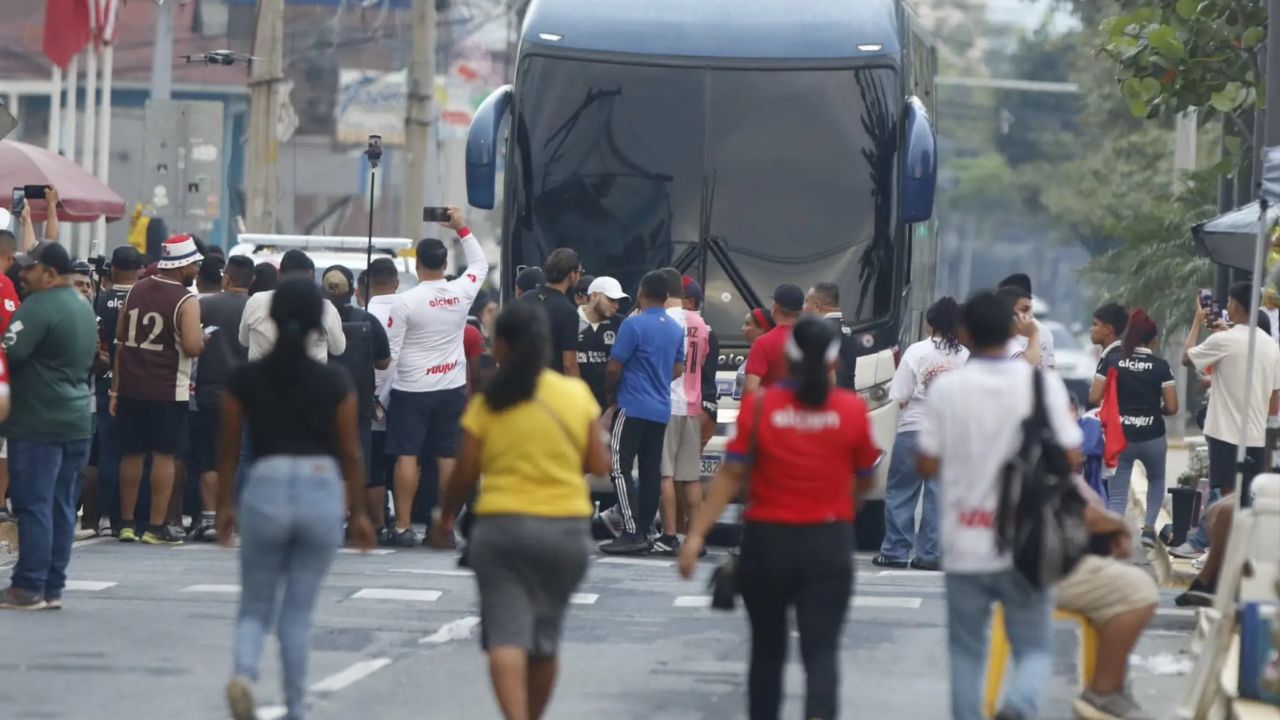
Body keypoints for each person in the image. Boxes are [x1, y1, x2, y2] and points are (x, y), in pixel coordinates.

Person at [679, 316, 881, 720]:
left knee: (767, 651)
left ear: (787, 359)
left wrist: (695, 537)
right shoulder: (851, 410)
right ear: (833, 362)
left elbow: (731, 475)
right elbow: (865, 478)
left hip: (767, 543)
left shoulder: (761, 406)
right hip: (828, 542)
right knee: (821, 652)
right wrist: (843, 506)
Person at [431, 302, 609, 720]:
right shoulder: (574, 394)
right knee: (545, 638)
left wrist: (444, 518)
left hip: (502, 528)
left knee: (506, 636)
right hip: (565, 530)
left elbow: (464, 471)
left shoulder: (490, 401)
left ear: (503, 345)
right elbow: (599, 464)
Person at [915, 290, 1082, 720]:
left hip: (964, 543)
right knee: (1034, 646)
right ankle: (1020, 705)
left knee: (967, 652)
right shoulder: (1042, 385)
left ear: (964, 332)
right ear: (1012, 329)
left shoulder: (947, 390)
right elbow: (1072, 455)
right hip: (1026, 540)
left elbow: (927, 462)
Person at [215, 279, 374, 720]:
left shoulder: (245, 378)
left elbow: (228, 449)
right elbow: (352, 452)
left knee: (254, 602)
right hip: (320, 485)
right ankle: (296, 707)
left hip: (264, 483)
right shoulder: (335, 380)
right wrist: (359, 513)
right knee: (298, 611)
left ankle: (244, 674)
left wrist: (225, 505)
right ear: (317, 323)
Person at [383, 207, 488, 547]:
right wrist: (461, 228)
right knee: (447, 458)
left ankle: (401, 526)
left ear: (417, 265)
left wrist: (381, 396)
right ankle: (442, 527)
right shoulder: (462, 292)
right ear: (445, 266)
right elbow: (479, 265)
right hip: (451, 388)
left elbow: (391, 356)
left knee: (408, 456)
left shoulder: (404, 303)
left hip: (411, 389)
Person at [0, 243, 97, 609]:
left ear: (51, 274)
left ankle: (26, 586)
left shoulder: (39, 306)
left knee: (33, 503)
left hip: (38, 421)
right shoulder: (81, 306)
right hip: (75, 418)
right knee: (60, 506)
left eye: (29, 269)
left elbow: (10, 351)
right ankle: (52, 586)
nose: (21, 275)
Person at [1057, 407, 1161, 720]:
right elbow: (1076, 510)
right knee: (1137, 589)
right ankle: (1102, 691)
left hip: (1003, 563)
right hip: (1031, 571)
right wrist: (1114, 525)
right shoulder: (1039, 463)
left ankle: (1110, 685)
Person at [1172, 282, 1280, 575]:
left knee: (1230, 501)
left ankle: (1222, 559)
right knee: (1244, 500)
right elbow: (1274, 406)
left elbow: (1186, 357)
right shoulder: (1271, 346)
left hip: (1225, 433)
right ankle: (1233, 557)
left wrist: (1197, 320)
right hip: (1256, 436)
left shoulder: (1225, 340)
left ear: (1233, 306)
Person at [111, 235, 206, 545]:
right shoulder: (185, 300)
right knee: (165, 455)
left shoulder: (136, 289)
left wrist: (115, 389)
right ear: (183, 266)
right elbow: (192, 346)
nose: (196, 269)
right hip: (168, 388)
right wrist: (205, 341)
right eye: (194, 263)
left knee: (132, 454)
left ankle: (126, 522)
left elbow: (121, 335)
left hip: (131, 385)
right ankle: (155, 526)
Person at [875, 296, 968, 571]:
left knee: (901, 491)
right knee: (939, 494)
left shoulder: (916, 351)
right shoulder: (966, 356)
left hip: (914, 429)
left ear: (930, 324)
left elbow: (900, 395)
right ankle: (929, 554)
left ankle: (895, 551)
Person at [600, 271, 685, 555]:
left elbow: (614, 367)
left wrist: (611, 394)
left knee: (619, 468)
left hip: (632, 405)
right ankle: (645, 529)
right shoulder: (675, 329)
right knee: (651, 472)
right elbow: (677, 370)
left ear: (640, 293)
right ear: (666, 297)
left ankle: (631, 529)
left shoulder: (632, 325)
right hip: (661, 408)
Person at [1097, 309, 1178, 547]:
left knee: (1118, 492)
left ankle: (1114, 538)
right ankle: (1149, 530)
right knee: (1156, 479)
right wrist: (1156, 410)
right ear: (1153, 340)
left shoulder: (1113, 361)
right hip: (1153, 435)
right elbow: (1172, 406)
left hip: (1121, 438)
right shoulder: (1161, 366)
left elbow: (1094, 394)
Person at [186, 255, 253, 540]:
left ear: (227, 278)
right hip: (250, 395)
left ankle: (211, 517)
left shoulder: (204, 305)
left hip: (211, 393)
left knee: (210, 459)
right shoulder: (258, 308)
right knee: (242, 457)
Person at [322, 266, 391, 509]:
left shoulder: (310, 318)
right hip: (358, 404)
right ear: (352, 290)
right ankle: (354, 517)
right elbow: (383, 363)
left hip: (319, 404)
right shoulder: (367, 320)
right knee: (356, 462)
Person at [654, 268, 710, 556]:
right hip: (692, 404)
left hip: (667, 403)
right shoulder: (700, 323)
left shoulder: (663, 321)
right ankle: (695, 537)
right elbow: (701, 360)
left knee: (665, 475)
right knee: (690, 478)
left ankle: (669, 534)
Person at [93, 246, 145, 536]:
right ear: (139, 269)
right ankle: (136, 515)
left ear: (113, 269)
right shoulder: (144, 298)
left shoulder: (101, 299)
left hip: (105, 382)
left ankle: (108, 516)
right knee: (138, 452)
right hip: (140, 384)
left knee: (109, 451)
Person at [240, 250, 345, 363]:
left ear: (279, 274)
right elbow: (338, 349)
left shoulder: (255, 302)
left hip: (261, 379)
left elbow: (244, 340)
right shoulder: (327, 308)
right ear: (310, 275)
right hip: (310, 379)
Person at [363, 257, 400, 538]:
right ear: (396, 283)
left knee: (372, 468)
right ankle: (403, 524)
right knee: (402, 463)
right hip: (403, 401)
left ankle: (375, 524)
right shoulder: (408, 308)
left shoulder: (361, 314)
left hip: (368, 403)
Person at [517, 249, 582, 376]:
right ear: (572, 275)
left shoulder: (525, 298)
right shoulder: (568, 312)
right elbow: (569, 364)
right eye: (579, 272)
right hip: (550, 386)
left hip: (522, 382)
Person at [576, 277, 628, 409]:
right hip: (575, 401)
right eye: (611, 300)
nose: (616, 306)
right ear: (594, 295)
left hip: (609, 404)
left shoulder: (622, 324)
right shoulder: (570, 320)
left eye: (618, 302)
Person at [742, 284, 804, 393]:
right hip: (806, 408)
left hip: (773, 408)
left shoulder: (763, 342)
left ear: (774, 307)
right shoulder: (813, 340)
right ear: (801, 310)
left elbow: (751, 388)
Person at [803, 281, 858, 389]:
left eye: (806, 302)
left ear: (817, 306)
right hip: (848, 398)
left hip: (831, 400)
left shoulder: (819, 332)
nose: (803, 307)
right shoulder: (847, 330)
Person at [999, 273, 1055, 369]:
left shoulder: (1040, 330)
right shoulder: (1000, 337)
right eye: (1024, 309)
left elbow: (1047, 368)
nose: (1030, 315)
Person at [1087, 303, 1130, 406]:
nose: (1091, 329)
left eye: (1095, 324)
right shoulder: (1118, 354)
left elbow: (1094, 398)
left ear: (1107, 329)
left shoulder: (1111, 359)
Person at [996, 285, 1044, 368]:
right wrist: (1033, 334)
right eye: (1024, 310)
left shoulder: (1015, 341)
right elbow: (1028, 369)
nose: (1030, 316)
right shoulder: (1001, 344)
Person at [734, 307, 774, 400]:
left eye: (747, 324)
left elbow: (752, 389)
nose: (743, 328)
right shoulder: (754, 351)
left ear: (761, 329)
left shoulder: (763, 353)